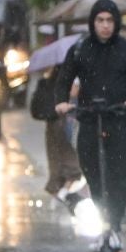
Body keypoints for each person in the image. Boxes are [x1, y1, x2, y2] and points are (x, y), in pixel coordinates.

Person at [49, 0, 126, 252]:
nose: (105, 26)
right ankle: (104, 221)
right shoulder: (80, 49)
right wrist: (62, 102)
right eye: (100, 20)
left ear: (116, 23)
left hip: (121, 121)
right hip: (90, 120)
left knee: (120, 175)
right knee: (93, 174)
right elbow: (63, 80)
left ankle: (115, 225)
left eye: (109, 21)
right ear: (92, 23)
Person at [31, 65, 84, 200]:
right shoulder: (71, 79)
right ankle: (64, 194)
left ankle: (58, 194)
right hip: (67, 123)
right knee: (71, 165)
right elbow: (74, 96)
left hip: (52, 125)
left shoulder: (48, 81)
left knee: (56, 164)